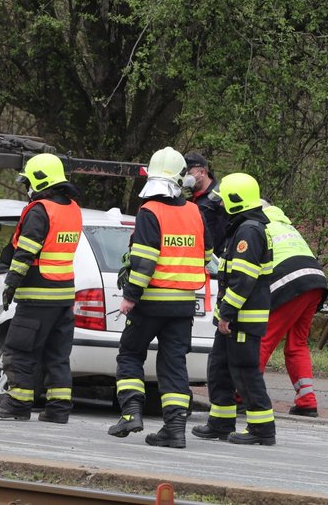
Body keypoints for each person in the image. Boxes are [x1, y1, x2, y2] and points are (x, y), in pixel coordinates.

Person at [107, 147, 211, 449]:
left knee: (130, 354)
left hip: (151, 302)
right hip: (183, 304)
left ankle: (131, 413)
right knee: (173, 363)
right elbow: (206, 254)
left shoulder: (150, 212)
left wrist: (130, 296)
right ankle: (175, 428)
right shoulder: (195, 212)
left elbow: (143, 260)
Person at [0, 153, 82, 424]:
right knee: (57, 353)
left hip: (38, 295)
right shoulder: (72, 208)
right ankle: (58, 408)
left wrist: (11, 284)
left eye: (28, 182)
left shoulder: (40, 210)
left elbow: (26, 252)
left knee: (19, 349)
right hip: (64, 295)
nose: (26, 188)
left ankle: (17, 403)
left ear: (40, 180)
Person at [193, 172, 277, 445]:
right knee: (219, 370)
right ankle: (220, 423)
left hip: (241, 318)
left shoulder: (248, 232)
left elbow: (243, 280)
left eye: (223, 200)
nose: (219, 205)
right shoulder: (243, 228)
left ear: (236, 201)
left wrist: (227, 314)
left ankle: (261, 429)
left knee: (244, 371)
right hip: (231, 317)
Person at [259, 201, 328, 417]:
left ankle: (244, 396)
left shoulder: (256, 224)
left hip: (289, 281)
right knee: (297, 344)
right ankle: (307, 400)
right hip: (315, 282)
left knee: (263, 340)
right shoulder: (283, 222)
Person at [184, 151, 226, 255]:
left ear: (202, 172)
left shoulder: (219, 197)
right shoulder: (188, 196)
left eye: (189, 174)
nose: (186, 178)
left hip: (213, 258)